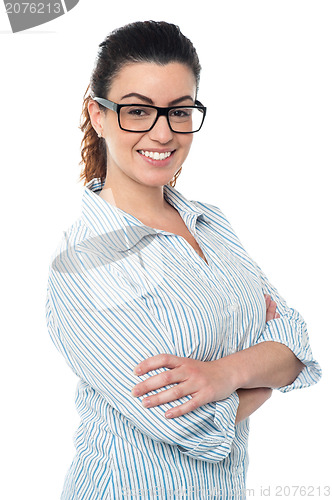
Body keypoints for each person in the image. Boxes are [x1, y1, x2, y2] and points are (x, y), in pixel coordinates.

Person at [45, 20, 322, 500]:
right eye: (137, 111)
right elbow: (186, 424)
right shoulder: (85, 264)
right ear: (99, 114)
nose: (163, 132)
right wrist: (263, 373)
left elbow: (296, 343)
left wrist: (221, 376)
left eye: (179, 111)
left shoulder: (210, 224)